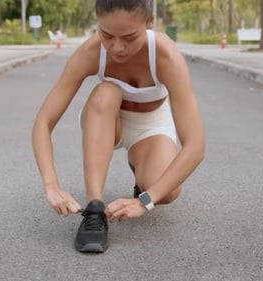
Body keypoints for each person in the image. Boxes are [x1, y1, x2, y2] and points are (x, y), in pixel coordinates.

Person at [32, 0, 205, 253]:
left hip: (151, 126)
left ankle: (141, 167)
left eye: (129, 37)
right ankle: (94, 209)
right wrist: (51, 184)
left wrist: (146, 200)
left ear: (150, 23)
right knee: (105, 92)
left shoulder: (165, 55)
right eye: (107, 35)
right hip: (106, 120)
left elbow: (196, 146)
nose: (117, 47)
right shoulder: (91, 51)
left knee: (167, 192)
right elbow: (43, 122)